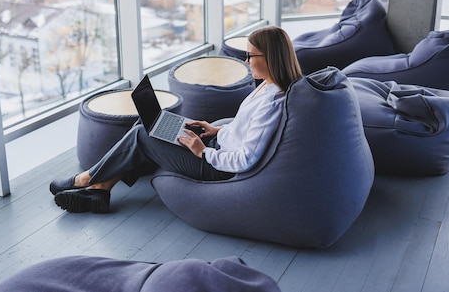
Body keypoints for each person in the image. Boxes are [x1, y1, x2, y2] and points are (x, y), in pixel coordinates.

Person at [50, 26, 303, 213]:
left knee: (143, 134)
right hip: (216, 145)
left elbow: (246, 158)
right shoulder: (268, 87)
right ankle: (100, 189)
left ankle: (86, 180)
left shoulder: (272, 102)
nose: (246, 61)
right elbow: (244, 129)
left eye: (251, 56)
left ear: (270, 58)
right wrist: (215, 130)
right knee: (150, 123)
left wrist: (202, 152)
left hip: (215, 166)